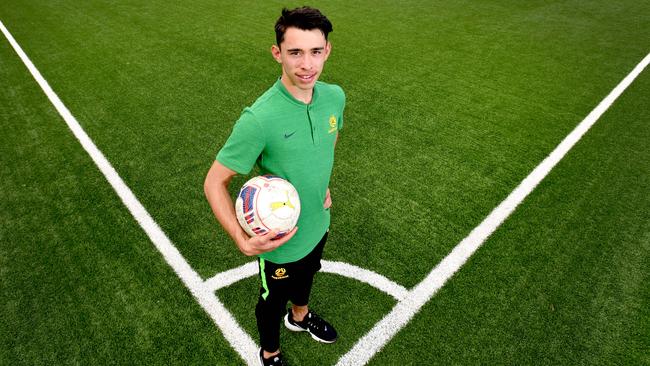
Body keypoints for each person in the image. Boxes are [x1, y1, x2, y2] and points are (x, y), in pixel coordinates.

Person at [204, 6, 345, 366]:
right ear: (277, 53)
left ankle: (300, 317)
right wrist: (241, 237)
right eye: (295, 52)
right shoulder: (259, 119)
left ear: (327, 50)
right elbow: (214, 182)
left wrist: (321, 183)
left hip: (318, 222)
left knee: (308, 276)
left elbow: (331, 138)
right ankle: (270, 351)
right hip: (278, 243)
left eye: (316, 51)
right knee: (271, 301)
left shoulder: (334, 97)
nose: (307, 64)